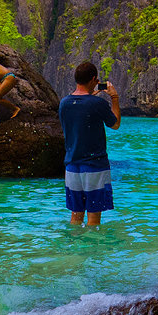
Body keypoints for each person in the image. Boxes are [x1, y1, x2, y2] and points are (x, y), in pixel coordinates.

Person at [58, 62, 121, 227]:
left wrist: (91, 94)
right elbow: (115, 124)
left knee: (75, 217)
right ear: (94, 79)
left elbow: (79, 112)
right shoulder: (96, 103)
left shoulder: (64, 103)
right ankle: (92, 252)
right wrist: (114, 98)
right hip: (94, 166)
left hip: (72, 166)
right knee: (93, 220)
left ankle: (73, 248)